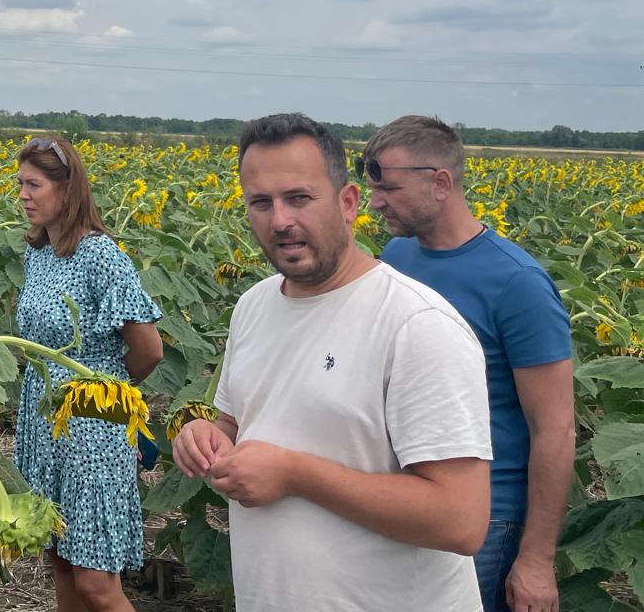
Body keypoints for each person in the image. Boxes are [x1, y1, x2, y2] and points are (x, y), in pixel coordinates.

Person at [174, 112, 492, 612]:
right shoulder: (254, 306)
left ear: (348, 203)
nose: (280, 220)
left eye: (299, 198)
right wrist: (207, 439)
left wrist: (295, 474)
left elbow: (462, 520)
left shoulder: (415, 323)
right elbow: (235, 425)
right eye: (262, 202)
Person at [367, 115, 574, 612]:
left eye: (389, 188)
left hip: (485, 516)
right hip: (404, 496)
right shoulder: (397, 256)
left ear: (440, 183)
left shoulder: (517, 282)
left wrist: (536, 559)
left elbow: (555, 428)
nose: (375, 202)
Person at [12, 135, 163, 612]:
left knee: (97, 583)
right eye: (19, 185)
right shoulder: (37, 253)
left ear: (67, 189)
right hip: (43, 423)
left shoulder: (100, 255)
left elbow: (149, 350)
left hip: (91, 430)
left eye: (33, 185)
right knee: (59, 559)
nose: (23, 196)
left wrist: (103, 397)